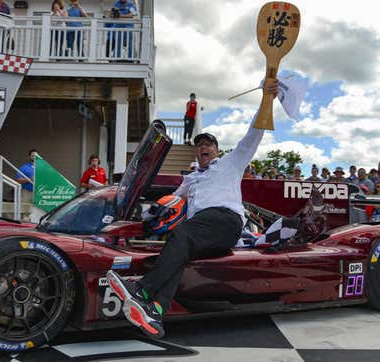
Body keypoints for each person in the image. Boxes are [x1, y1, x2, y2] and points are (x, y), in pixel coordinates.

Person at [106, 80, 279, 338]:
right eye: (199, 145)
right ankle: (155, 310)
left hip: (226, 222)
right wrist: (143, 214)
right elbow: (171, 203)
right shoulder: (190, 179)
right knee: (180, 248)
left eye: (208, 144)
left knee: (182, 235)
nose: (203, 147)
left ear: (217, 150)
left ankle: (142, 289)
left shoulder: (231, 163)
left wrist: (267, 99)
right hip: (203, 231)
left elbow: (253, 134)